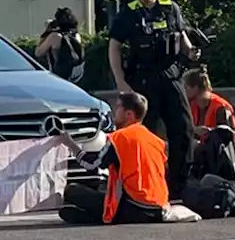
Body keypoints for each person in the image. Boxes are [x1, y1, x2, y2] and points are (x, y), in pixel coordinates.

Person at [107, 0, 198, 199]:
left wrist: (191, 52)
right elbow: (114, 47)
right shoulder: (129, 12)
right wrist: (120, 81)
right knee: (146, 134)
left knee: (184, 129)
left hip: (170, 76)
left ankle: (178, 186)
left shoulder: (170, 8)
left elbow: (183, 37)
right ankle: (144, 183)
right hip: (143, 79)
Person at [59, 91, 169, 225]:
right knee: (100, 186)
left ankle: (95, 215)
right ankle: (89, 214)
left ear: (129, 114)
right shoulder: (155, 140)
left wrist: (70, 144)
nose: (115, 112)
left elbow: (92, 164)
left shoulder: (121, 137)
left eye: (118, 108)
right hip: (159, 206)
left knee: (72, 191)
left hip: (134, 206)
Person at [35, 7, 85, 83]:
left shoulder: (55, 36)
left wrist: (47, 31)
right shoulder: (76, 36)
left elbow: (38, 52)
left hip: (58, 75)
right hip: (74, 74)